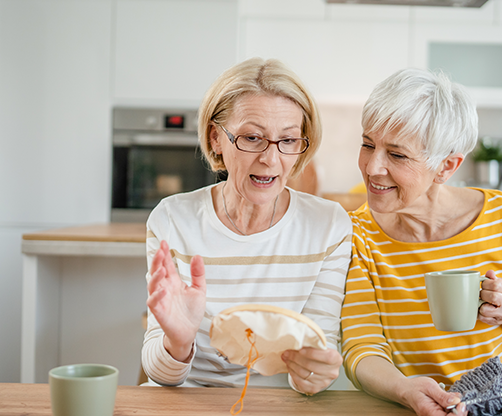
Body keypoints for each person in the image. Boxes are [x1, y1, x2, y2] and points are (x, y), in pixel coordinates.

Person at [341, 68, 502, 416]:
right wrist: (405, 390)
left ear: (446, 166)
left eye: (397, 155)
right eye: (368, 145)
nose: (372, 167)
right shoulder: (356, 235)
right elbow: (362, 349)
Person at [142, 57, 351, 395]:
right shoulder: (173, 220)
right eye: (252, 138)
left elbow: (317, 354)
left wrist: (314, 372)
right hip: (186, 406)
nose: (270, 159)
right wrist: (178, 342)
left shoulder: (328, 227)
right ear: (216, 139)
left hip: (277, 415)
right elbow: (160, 376)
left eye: (287, 141)